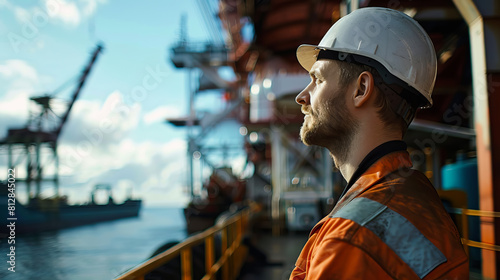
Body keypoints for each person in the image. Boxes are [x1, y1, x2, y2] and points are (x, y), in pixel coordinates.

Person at [290, 7, 469, 279]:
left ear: (361, 90)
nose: (302, 97)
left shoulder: (348, 240)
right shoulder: (418, 193)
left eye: (318, 79)